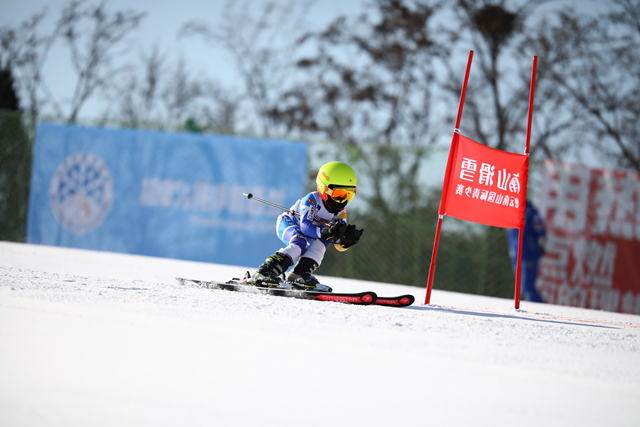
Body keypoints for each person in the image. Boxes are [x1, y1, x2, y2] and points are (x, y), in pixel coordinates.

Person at [248, 161, 363, 290]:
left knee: (321, 245)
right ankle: (265, 271)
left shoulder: (341, 212)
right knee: (299, 242)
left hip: (312, 231)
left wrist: (345, 240)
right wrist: (326, 232)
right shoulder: (312, 199)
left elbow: (337, 243)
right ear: (324, 188)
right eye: (339, 195)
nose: (344, 200)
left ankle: (299, 274)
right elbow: (305, 227)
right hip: (289, 223)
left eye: (349, 194)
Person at [507, 200, 546, 303]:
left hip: (528, 254)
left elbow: (540, 231)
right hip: (516, 254)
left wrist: (540, 245)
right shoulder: (512, 210)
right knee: (522, 287)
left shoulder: (530, 211)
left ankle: (541, 310)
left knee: (527, 287)